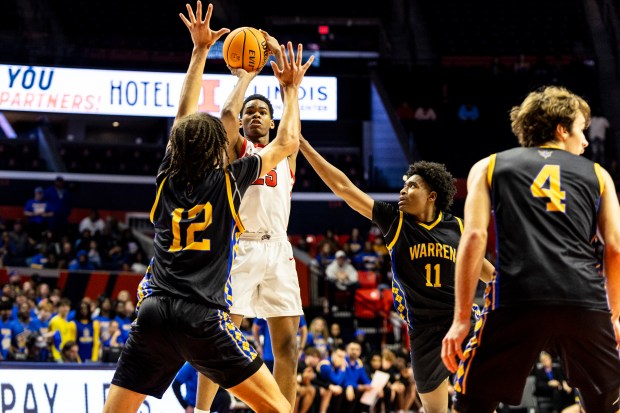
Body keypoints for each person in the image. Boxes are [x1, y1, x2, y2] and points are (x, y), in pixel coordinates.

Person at [102, 2, 313, 412]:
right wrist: (290, 88)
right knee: (278, 408)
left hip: (155, 309)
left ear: (175, 147)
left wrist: (200, 53)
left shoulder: (167, 176)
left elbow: (183, 117)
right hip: (204, 311)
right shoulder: (229, 180)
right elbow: (288, 142)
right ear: (221, 150)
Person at [441, 86, 620, 413]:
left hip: (516, 295)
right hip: (584, 297)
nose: (585, 141)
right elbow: (615, 248)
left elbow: (474, 237)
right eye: (582, 130)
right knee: (608, 404)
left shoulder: (488, 166)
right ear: (561, 129)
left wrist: (460, 319)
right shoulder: (599, 174)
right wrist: (615, 315)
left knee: (472, 402)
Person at [299, 139, 494, 413]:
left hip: (461, 322)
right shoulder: (395, 221)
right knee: (436, 410)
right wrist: (304, 146)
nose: (403, 190)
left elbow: (487, 272)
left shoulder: (457, 227)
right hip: (422, 332)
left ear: (432, 195)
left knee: (480, 403)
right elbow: (344, 188)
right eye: (403, 185)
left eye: (412, 185)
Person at [196, 28, 306, 413]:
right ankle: (203, 410)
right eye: (250, 113)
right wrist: (249, 71)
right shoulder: (238, 151)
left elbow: (293, 134)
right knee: (221, 339)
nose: (255, 115)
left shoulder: (284, 153)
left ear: (272, 123)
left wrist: (289, 87)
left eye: (262, 112)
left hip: (279, 248)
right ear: (242, 124)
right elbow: (225, 113)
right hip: (240, 248)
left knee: (289, 346)